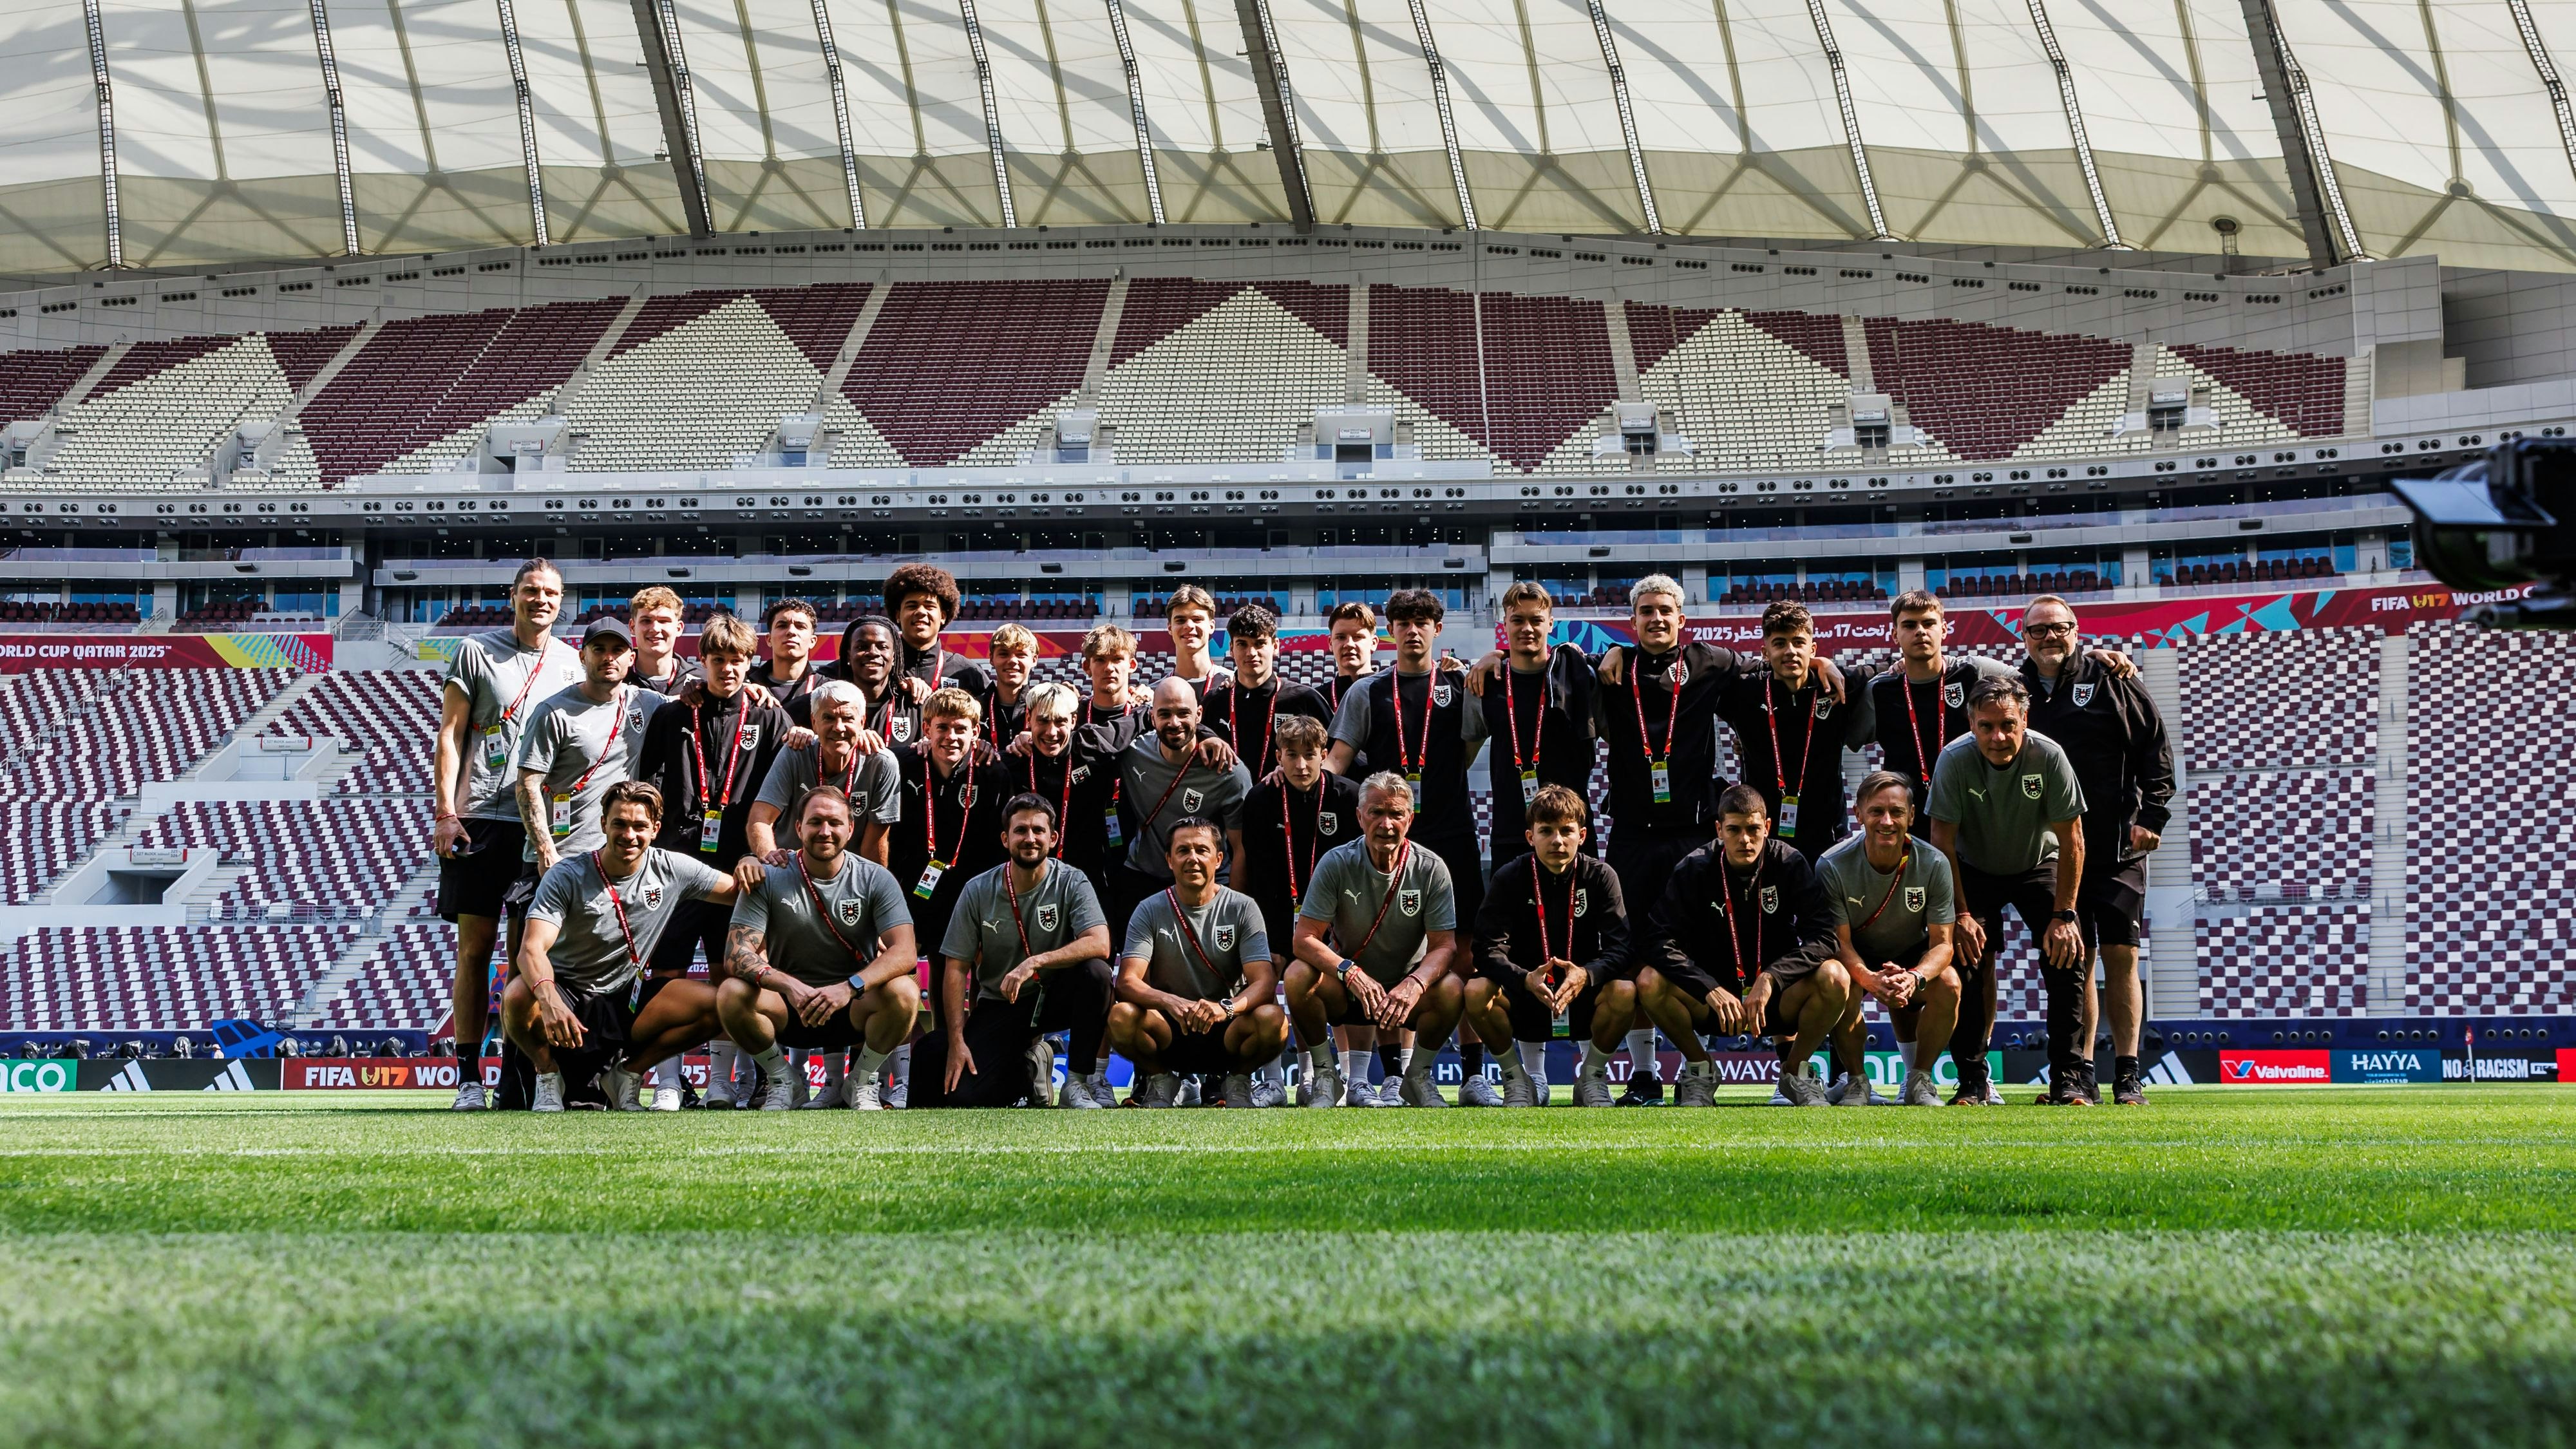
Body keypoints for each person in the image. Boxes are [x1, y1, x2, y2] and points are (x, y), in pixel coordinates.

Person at [1590, 574, 1842, 1104]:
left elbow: (1780, 665)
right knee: (1639, 954)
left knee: (1735, 936)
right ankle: (1645, 1073)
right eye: (1646, 612)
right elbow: (1548, 663)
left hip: (1692, 832)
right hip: (1632, 834)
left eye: (1666, 611)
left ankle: (1785, 1070)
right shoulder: (1609, 670)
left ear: (1683, 620)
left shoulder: (1716, 663)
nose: (1657, 619)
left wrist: (1821, 661)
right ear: (1632, 621)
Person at [431, 558, 585, 1110]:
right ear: (513, 595)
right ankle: (468, 1076)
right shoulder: (476, 650)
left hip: (540, 825)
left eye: (550, 592)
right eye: (530, 590)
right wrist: (446, 811)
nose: (540, 599)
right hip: (479, 820)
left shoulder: (572, 663)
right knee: (473, 951)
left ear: (562, 601)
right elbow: (450, 733)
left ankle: (517, 1077)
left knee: (528, 953)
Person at [1324, 590, 1488, 1098]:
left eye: (1423, 622)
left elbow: (1470, 745)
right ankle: (1395, 1075)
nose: (1413, 631)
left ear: (1438, 629)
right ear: (1389, 632)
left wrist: (1491, 658)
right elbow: (1337, 762)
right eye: (1403, 622)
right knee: (1384, 952)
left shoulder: (1461, 686)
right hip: (1388, 838)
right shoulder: (1368, 693)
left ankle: (1474, 1075)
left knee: (1464, 956)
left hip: (1452, 833)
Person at [630, 611, 791, 1109]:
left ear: (750, 663)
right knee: (666, 973)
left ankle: (723, 1082)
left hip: (740, 871)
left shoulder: (767, 716)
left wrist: (759, 853)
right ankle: (669, 1082)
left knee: (732, 974)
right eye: (718, 660)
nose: (728, 669)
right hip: (677, 867)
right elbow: (649, 785)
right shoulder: (674, 714)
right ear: (700, 662)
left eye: (738, 660)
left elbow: (783, 794)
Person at [2018, 595, 2172, 1106]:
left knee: (2122, 957)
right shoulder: (2013, 689)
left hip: (2114, 844)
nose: (2049, 638)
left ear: (2076, 630)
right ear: (2024, 637)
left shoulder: (2113, 678)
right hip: (2052, 852)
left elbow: (2155, 746)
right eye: (2038, 631)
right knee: (2073, 960)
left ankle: (2128, 1074)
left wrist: (2152, 816)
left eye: (2058, 628)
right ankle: (2078, 1072)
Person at [502, 781, 739, 1112]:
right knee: (516, 996)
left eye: (640, 826)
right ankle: (547, 1075)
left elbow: (737, 891)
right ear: (603, 825)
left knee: (723, 1005)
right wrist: (549, 998)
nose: (629, 835)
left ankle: (628, 1073)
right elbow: (531, 950)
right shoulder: (566, 875)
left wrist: (752, 864)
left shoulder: (673, 868)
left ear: (655, 829)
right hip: (569, 991)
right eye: (620, 824)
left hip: (628, 998)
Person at [1927, 674, 2091, 1106]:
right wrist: (1960, 916)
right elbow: (1941, 844)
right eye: (1986, 726)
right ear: (1971, 723)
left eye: (2007, 725)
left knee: (2068, 956)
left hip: (2038, 863)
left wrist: (2065, 916)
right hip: (1972, 868)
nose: (1998, 737)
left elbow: (2073, 840)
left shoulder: (2050, 756)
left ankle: (2068, 1080)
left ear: (2024, 718)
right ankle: (1972, 1081)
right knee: (1964, 959)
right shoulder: (1953, 760)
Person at [1632, 784, 1850, 1107]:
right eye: (1734, 830)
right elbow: (1656, 939)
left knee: (1836, 977)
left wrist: (1772, 977)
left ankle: (1795, 1071)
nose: (1745, 840)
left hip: (1775, 1000)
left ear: (1768, 827)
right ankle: (1699, 1068)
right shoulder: (1695, 868)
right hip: (1715, 1003)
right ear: (1719, 829)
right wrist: (1708, 987)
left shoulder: (1789, 863)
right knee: (1649, 981)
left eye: (1753, 829)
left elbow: (1824, 937)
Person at [717, 785, 919, 1110]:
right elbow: (736, 954)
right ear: (799, 828)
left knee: (905, 992)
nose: (825, 831)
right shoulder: (767, 876)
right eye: (815, 822)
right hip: (789, 1008)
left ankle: (863, 1080)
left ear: (850, 829)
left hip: (851, 1007)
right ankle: (784, 1079)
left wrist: (849, 988)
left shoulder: (876, 878)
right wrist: (790, 986)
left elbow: (905, 953)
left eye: (835, 823)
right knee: (731, 992)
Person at [914, 794, 1115, 1108]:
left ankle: (1075, 1083)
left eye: (1038, 830)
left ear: (1053, 838)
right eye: (1021, 831)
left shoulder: (1073, 880)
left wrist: (1034, 962)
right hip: (1002, 1002)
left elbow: (1100, 943)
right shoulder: (978, 889)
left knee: (1097, 974)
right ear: (1006, 839)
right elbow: (955, 969)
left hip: (1056, 996)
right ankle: (1030, 1067)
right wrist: (957, 1041)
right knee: (966, 1096)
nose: (1030, 838)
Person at [1285, 772, 1465, 1108]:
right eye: (1376, 812)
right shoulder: (1336, 862)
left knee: (1453, 987)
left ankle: (1418, 1076)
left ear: (1409, 820)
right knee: (1297, 976)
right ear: (1359, 817)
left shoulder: (1431, 868)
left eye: (1396, 814)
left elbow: (1445, 946)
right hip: (1348, 988)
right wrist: (1349, 973)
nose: (1386, 824)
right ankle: (1326, 1076)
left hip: (1403, 994)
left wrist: (1415, 984)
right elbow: (1304, 939)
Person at [1464, 785, 1631, 1107]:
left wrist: (1586, 975)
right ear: (1531, 837)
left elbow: (1622, 948)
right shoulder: (1510, 877)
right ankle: (1516, 1080)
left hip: (1582, 995)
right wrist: (1522, 978)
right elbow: (1485, 948)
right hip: (1526, 995)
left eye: (1566, 831)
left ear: (1582, 835)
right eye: (1546, 831)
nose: (1557, 840)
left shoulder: (1601, 877)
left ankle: (1592, 1077)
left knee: (1625, 991)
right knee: (1475, 992)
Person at [1112, 817, 1290, 1106]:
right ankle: (1161, 1079)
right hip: (1169, 1028)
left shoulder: (1242, 907)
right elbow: (1127, 981)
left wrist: (1225, 1009)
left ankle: (1238, 1080)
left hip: (1225, 1027)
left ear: (1219, 859)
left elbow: (1265, 982)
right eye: (1183, 851)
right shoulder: (1149, 909)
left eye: (1201, 850)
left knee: (1273, 1020)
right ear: (1169, 860)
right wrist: (1170, 1002)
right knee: (1121, 1017)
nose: (1192, 858)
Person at [1240, 715, 1366, 1105]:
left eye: (1310, 755)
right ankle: (1274, 1080)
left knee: (1333, 987)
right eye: (1291, 756)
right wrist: (1262, 931)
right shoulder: (1261, 799)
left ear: (1324, 754)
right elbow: (1257, 871)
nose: (1300, 765)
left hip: (1338, 917)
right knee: (1269, 984)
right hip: (1277, 912)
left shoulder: (1348, 796)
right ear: (1278, 757)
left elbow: (1360, 868)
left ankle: (1345, 1079)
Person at [1819, 772, 1961, 1107]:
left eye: (1897, 812)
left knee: (1951, 983)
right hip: (1857, 955)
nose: (1887, 821)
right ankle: (1856, 1081)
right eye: (1876, 811)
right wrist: (1868, 978)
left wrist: (1915, 977)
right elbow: (1839, 943)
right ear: (1858, 814)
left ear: (1912, 816)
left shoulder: (1934, 863)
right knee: (1841, 981)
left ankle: (1919, 1080)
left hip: (1912, 957)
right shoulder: (1832, 865)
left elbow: (1943, 944)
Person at [1719, 601, 1876, 864]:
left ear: (1812, 648)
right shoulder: (1743, 693)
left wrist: (1822, 664)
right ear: (1765, 653)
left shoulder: (1836, 686)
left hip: (1827, 838)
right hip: (1762, 838)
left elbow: (1898, 666)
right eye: (1780, 643)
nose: (1790, 651)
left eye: (1799, 642)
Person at [514, 617, 661, 884]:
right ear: (582, 657)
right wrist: (546, 851)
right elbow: (527, 785)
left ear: (631, 658)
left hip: (611, 857)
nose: (609, 657)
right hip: (558, 859)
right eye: (599, 649)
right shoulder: (553, 712)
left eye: (617, 650)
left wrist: (751, 688)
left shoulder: (646, 702)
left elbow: (702, 694)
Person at [1106, 677, 1254, 937]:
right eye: (1165, 714)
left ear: (1199, 714)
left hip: (1203, 879)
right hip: (1144, 875)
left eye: (1183, 713)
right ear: (1152, 718)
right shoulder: (1132, 753)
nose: (1174, 723)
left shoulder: (1228, 771)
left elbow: (1242, 846)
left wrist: (1236, 907)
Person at [1471, 583, 1600, 871]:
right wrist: (1495, 656)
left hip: (1570, 831)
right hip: (1511, 830)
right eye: (1517, 620)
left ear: (1551, 624)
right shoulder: (1487, 683)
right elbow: (1465, 754)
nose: (1527, 628)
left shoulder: (1578, 674)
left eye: (1536, 620)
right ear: (1504, 623)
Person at [748, 679, 903, 865]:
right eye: (828, 718)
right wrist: (770, 858)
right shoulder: (795, 752)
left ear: (862, 722)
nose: (839, 727)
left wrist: (873, 890)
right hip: (792, 870)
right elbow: (760, 818)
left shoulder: (882, 764)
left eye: (848, 718)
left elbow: (874, 847)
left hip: (848, 875)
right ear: (814, 722)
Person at [1200, 604, 1331, 778]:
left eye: (1260, 643)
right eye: (1242, 644)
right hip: (1227, 801)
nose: (1251, 653)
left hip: (1285, 802)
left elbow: (1335, 754)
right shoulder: (1214, 702)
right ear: (1231, 648)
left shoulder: (1305, 699)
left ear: (1275, 646)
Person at [885, 563, 992, 700]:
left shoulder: (967, 671)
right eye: (912, 606)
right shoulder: (883, 667)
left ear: (943, 616)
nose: (921, 612)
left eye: (929, 606)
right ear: (897, 615)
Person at [1318, 601, 1381, 775]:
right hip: (1335, 796)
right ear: (1330, 643)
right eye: (1341, 637)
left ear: (1374, 643)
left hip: (1386, 797)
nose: (1349, 644)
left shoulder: (1390, 692)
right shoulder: (1316, 699)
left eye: (1358, 637)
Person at [749, 597, 825, 712]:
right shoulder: (746, 684)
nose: (791, 632)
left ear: (812, 641)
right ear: (769, 640)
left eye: (800, 626)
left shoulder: (826, 689)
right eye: (782, 625)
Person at [1164, 585, 1231, 699]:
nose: (1189, 626)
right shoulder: (1157, 693)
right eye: (1181, 620)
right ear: (1170, 628)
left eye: (1197, 619)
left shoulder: (1233, 685)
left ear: (1211, 626)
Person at [980, 623, 1040, 748]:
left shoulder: (1043, 709)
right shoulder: (975, 709)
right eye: (1004, 654)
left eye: (1021, 655)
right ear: (991, 659)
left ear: (1034, 660)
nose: (1012, 661)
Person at [627, 586, 690, 696]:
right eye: (646, 621)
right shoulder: (615, 680)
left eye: (664, 621)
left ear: (679, 628)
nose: (655, 629)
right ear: (632, 627)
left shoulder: (700, 681)